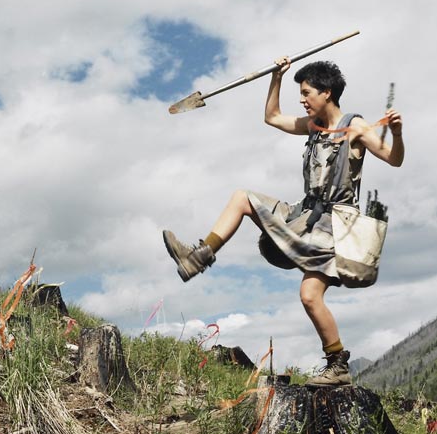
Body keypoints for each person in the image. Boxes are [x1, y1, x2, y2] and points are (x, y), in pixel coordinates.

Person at [162, 57, 404, 386]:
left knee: (309, 295)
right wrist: (276, 77)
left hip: (333, 227)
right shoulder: (312, 126)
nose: (302, 100)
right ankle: (199, 257)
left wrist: (398, 133)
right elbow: (271, 117)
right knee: (242, 198)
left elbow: (394, 159)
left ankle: (337, 365)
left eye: (306, 93)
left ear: (327, 93)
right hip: (303, 214)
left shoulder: (356, 127)